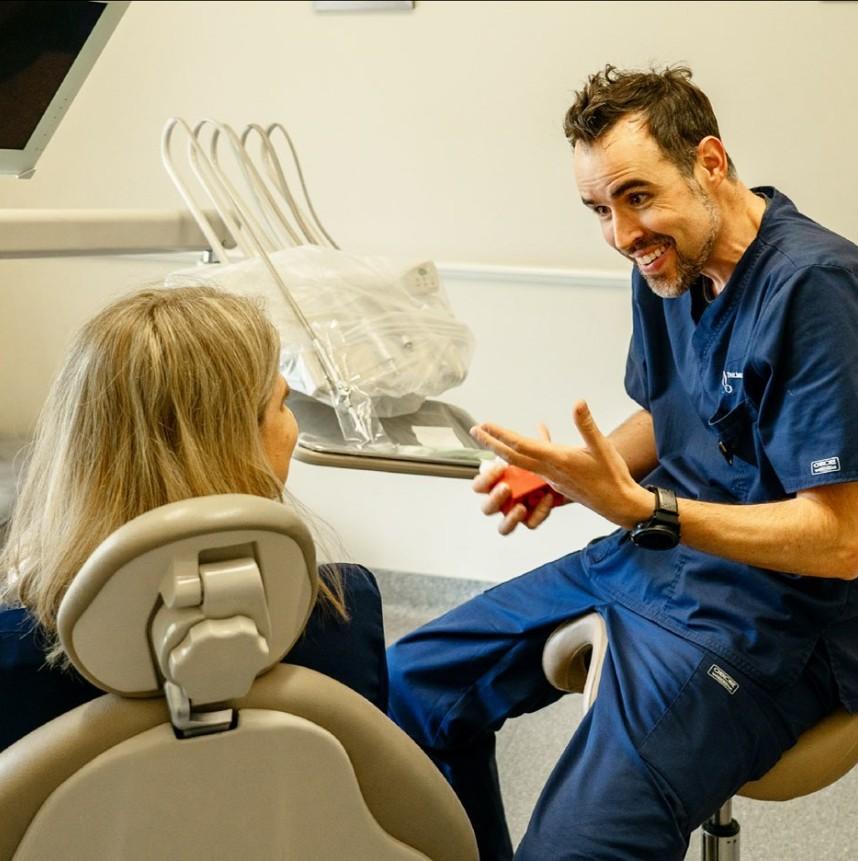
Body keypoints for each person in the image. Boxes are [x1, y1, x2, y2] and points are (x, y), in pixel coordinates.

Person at [387, 64, 858, 860]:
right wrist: (573, 478)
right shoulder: (666, 267)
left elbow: (839, 539)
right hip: (652, 560)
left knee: (576, 847)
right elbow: (672, 411)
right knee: (411, 684)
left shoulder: (816, 287)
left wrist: (645, 510)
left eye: (636, 196)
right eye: (599, 210)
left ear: (710, 162)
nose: (621, 233)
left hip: (772, 619)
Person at [0, 285, 387, 751]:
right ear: (236, 446)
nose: (293, 426)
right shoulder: (343, 620)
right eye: (281, 403)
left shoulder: (12, 655)